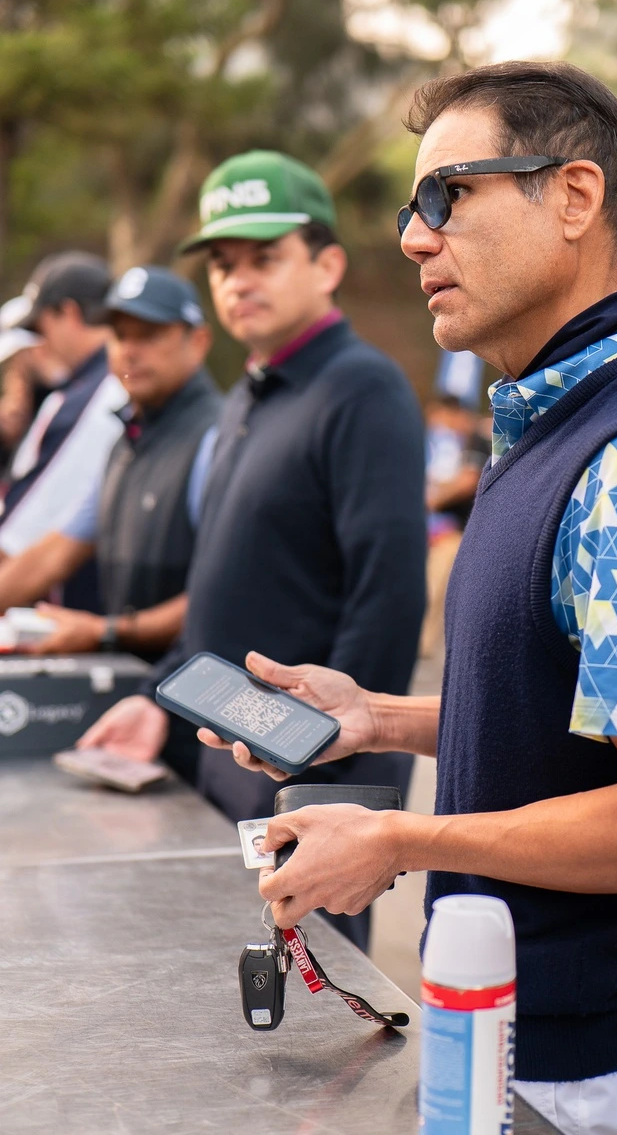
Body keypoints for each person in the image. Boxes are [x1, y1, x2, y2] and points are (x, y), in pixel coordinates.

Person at [202, 64, 617, 1135]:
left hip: (592, 1079)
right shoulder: (545, 426)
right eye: (411, 207)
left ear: (574, 198)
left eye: (449, 195)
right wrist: (380, 720)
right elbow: (577, 730)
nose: (414, 237)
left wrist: (402, 842)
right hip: (509, 1038)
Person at [78, 151, 428, 950]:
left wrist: (338, 782)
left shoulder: (362, 389)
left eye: (265, 259)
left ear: (328, 263)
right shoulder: (250, 394)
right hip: (229, 758)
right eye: (224, 265)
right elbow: (225, 593)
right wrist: (162, 709)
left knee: (309, 1024)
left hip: (311, 781)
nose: (238, 280)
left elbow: (389, 596)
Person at [0, 266, 221, 676]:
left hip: (203, 701)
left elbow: (225, 594)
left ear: (199, 341)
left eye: (150, 335)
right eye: (121, 336)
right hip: (138, 690)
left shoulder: (217, 440)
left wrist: (106, 631)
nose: (130, 351)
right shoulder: (126, 441)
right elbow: (57, 551)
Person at [0, 254, 128, 586]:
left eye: (41, 327)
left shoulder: (92, 395)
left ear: (68, 314)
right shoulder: (111, 382)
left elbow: (15, 544)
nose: (42, 341)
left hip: (86, 612)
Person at [419, 392, 490, 656]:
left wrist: (431, 501)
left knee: (435, 585)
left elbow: (467, 480)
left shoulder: (476, 437)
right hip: (457, 529)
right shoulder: (449, 443)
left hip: (464, 531)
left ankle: (420, 645)